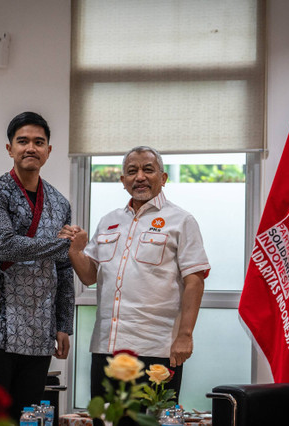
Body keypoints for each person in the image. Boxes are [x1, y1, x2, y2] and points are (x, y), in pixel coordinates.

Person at [62, 146, 210, 400]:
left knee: (150, 419)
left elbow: (194, 280)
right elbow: (90, 277)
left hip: (157, 349)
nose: (139, 176)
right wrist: (76, 251)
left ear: (162, 178)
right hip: (107, 348)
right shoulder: (110, 220)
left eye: (148, 169)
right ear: (123, 181)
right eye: (132, 171)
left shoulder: (181, 220)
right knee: (107, 420)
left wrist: (185, 335)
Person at [0, 111, 74, 421]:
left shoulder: (59, 202)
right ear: (10, 148)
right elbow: (5, 245)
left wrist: (63, 323)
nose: (31, 148)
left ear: (48, 151)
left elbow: (65, 268)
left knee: (29, 417)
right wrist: (65, 245)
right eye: (22, 141)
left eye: (38, 142)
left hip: (39, 329)